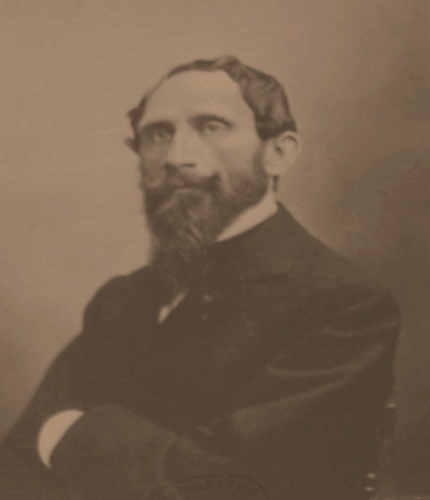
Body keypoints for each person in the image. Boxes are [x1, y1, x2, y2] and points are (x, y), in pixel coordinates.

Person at [0, 56, 400, 500]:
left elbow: (231, 484)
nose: (176, 157)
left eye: (211, 126)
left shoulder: (343, 304)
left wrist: (64, 434)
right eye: (158, 133)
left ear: (278, 152)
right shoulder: (123, 299)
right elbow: (16, 470)